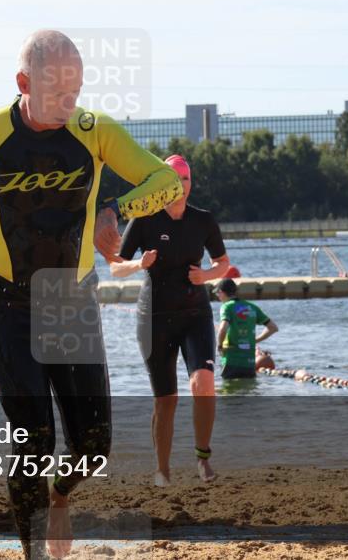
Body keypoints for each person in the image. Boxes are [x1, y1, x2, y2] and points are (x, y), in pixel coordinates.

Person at [0, 30, 183, 560]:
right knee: (33, 440)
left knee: (93, 446)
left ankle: (59, 496)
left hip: (71, 304)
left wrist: (115, 210)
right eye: (57, 93)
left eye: (76, 91)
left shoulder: (93, 132)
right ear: (24, 83)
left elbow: (165, 182)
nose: (69, 104)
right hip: (9, 305)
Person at [110, 154, 230, 486]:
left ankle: (203, 459)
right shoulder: (144, 219)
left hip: (195, 314)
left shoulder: (203, 220)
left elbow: (223, 263)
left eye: (185, 179)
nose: (180, 185)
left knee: (203, 384)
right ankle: (162, 470)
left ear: (191, 184)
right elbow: (115, 266)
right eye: (174, 179)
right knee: (166, 400)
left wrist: (206, 276)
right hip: (154, 319)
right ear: (161, 184)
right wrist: (139, 264)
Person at [214, 278, 279, 379]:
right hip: (249, 363)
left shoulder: (226, 307)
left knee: (229, 388)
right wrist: (255, 340)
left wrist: (219, 346)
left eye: (217, 293)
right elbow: (273, 328)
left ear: (221, 292)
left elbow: (223, 328)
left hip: (231, 361)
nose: (217, 296)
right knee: (249, 387)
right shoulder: (252, 307)